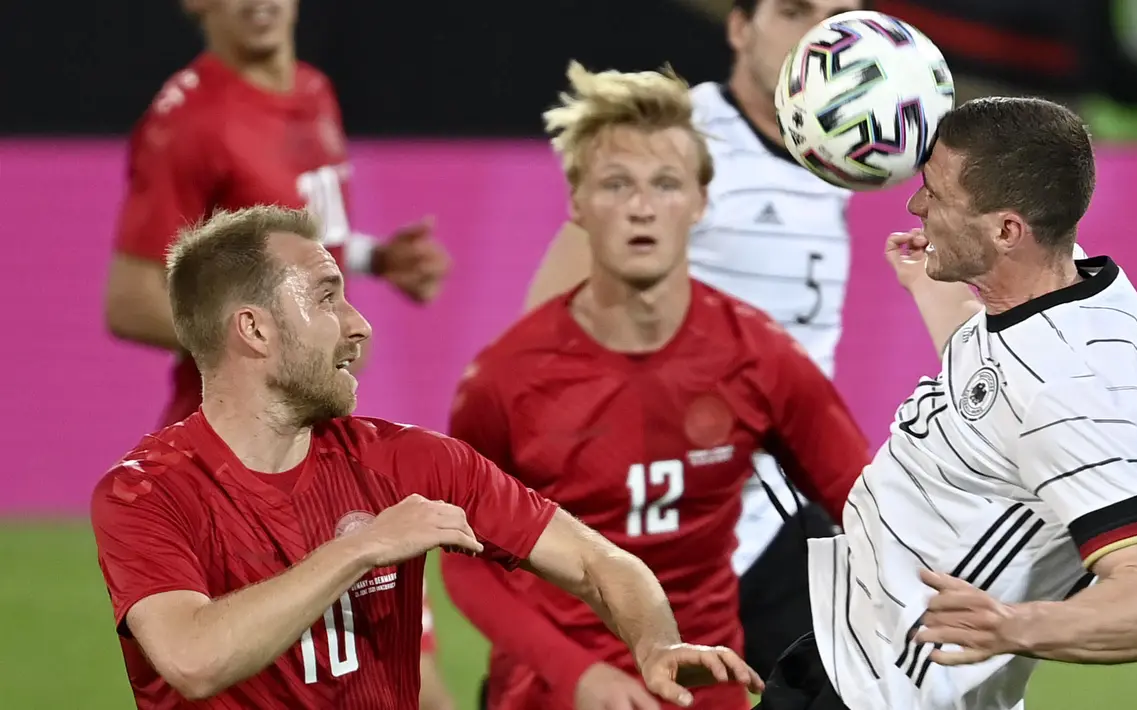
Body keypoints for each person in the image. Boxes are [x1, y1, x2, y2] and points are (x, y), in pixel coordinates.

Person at [90, 205, 763, 710]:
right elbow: (193, 657)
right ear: (254, 329)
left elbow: (599, 563)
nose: (360, 324)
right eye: (326, 296)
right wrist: (363, 547)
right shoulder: (147, 495)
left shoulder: (407, 463)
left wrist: (653, 642)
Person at [440, 62, 870, 710]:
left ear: (700, 202)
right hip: (553, 695)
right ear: (577, 203)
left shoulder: (759, 357)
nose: (641, 207)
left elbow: (866, 508)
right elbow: (465, 559)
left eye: (665, 183)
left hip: (700, 694)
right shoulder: (504, 381)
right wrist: (577, 674)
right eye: (615, 184)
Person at [755, 97, 1137, 710]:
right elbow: (995, 394)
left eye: (934, 194)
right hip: (851, 653)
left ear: (1007, 230)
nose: (914, 206)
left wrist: (1013, 626)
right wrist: (928, 287)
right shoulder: (1071, 294)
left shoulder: (1064, 388)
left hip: (888, 693)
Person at [100, 2, 451, 701]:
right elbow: (131, 299)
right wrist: (288, 339)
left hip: (319, 435)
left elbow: (286, 256)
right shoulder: (187, 125)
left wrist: (376, 258)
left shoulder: (313, 90)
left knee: (407, 668)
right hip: (240, 460)